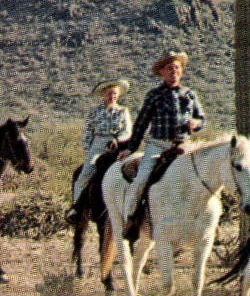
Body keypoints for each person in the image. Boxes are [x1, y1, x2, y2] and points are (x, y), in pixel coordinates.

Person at [112, 49, 205, 220]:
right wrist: (131, 148)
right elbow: (141, 124)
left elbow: (201, 119)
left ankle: (201, 219)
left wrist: (196, 123)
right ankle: (130, 217)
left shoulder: (190, 95)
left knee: (203, 176)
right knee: (141, 179)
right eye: (169, 68)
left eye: (177, 67)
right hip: (158, 145)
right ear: (162, 72)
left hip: (183, 145)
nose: (173, 71)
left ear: (182, 70)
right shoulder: (154, 95)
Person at [70, 79, 132, 213]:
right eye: (109, 93)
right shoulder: (94, 112)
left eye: (114, 93)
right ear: (104, 95)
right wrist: (89, 150)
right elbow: (87, 133)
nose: (112, 96)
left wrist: (117, 140)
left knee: (132, 171)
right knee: (85, 175)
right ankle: (76, 208)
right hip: (98, 145)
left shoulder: (123, 111)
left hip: (118, 146)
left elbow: (127, 130)